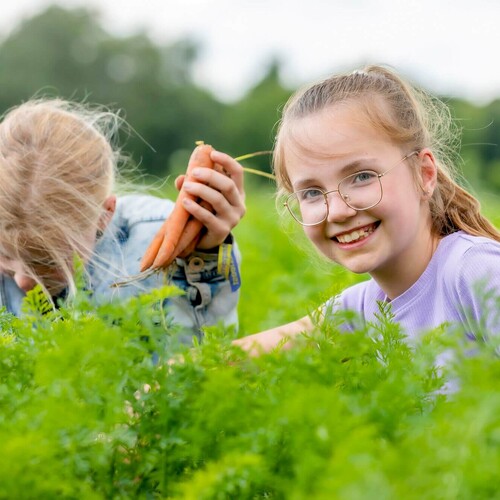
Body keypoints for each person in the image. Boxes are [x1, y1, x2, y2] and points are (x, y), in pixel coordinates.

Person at [234, 64, 500, 354]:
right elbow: (230, 360)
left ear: (424, 174)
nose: (336, 211)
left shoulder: (477, 272)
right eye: (311, 192)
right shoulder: (362, 310)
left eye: (362, 177)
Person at [0, 98, 245, 343]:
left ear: (105, 215)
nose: (22, 280)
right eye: (4, 254)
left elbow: (204, 353)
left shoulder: (155, 235)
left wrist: (207, 254)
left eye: (47, 260)